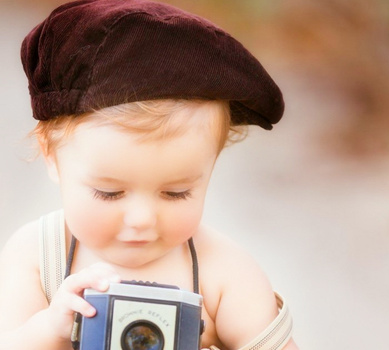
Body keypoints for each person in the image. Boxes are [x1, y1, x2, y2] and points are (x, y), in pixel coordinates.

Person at [0, 0, 298, 349]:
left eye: (176, 193)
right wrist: (50, 329)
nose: (141, 219)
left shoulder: (225, 273)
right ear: (51, 155)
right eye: (109, 193)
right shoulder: (39, 255)